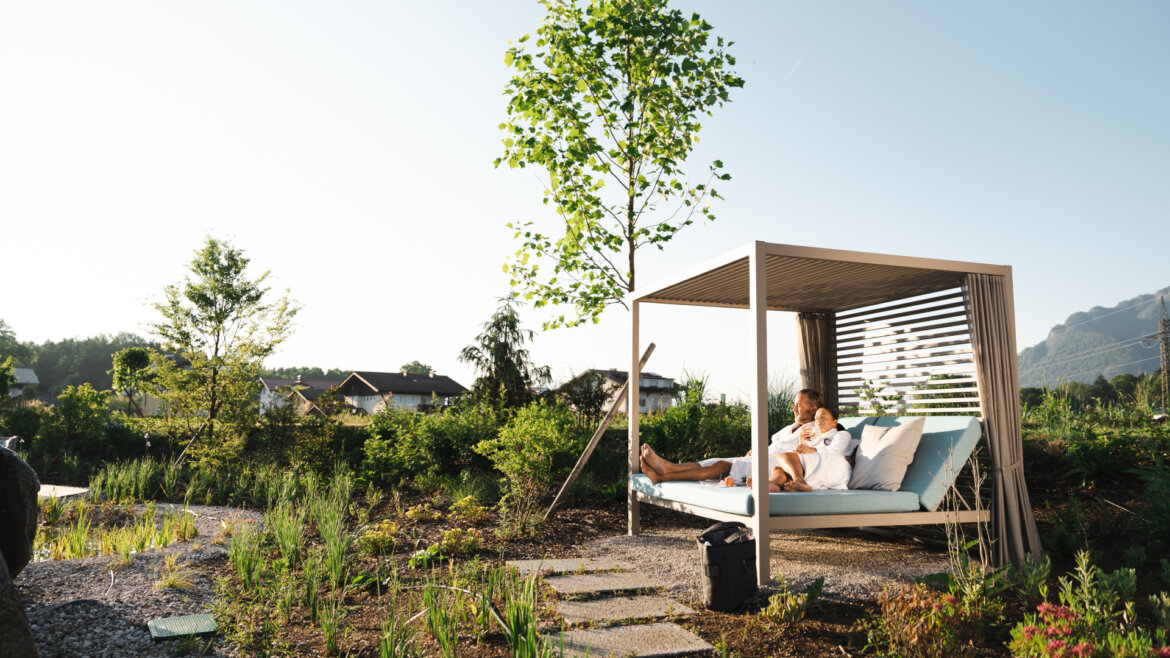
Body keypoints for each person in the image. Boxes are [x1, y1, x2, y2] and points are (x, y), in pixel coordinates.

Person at [638, 389, 822, 485]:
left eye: (798, 405)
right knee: (716, 459)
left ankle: (665, 476)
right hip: (759, 459)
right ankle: (669, 467)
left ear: (813, 409)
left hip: (774, 468)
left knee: (723, 467)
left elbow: (816, 453)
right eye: (794, 405)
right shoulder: (791, 427)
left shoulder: (817, 428)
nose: (793, 409)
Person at [757, 405, 853, 492]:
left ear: (834, 422)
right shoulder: (815, 438)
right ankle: (771, 484)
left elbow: (834, 451)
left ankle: (798, 480)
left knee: (783, 456)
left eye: (823, 417)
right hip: (815, 464)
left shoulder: (842, 435)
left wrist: (812, 450)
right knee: (780, 469)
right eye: (816, 419)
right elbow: (805, 455)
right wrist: (802, 443)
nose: (818, 421)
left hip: (833, 465)